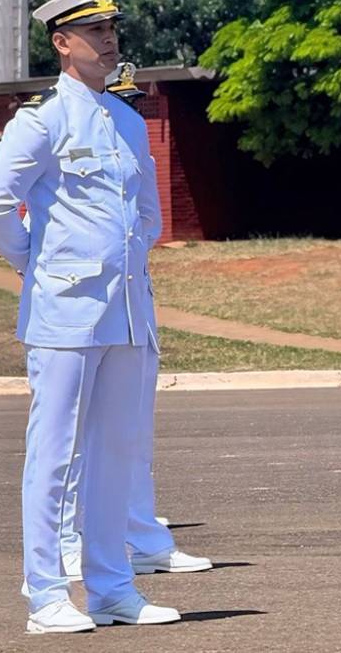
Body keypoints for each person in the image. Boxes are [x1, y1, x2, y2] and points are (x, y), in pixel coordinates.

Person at [0, 0, 180, 633]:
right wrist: (36, 264)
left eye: (112, 29)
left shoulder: (125, 118)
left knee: (118, 449)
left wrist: (126, 263)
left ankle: (114, 587)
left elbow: (145, 213)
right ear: (63, 43)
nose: (109, 40)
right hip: (64, 311)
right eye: (95, 31)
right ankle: (45, 596)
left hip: (125, 309)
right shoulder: (41, 120)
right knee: (55, 453)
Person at [51, 64, 213, 578]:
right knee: (76, 440)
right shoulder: (57, 135)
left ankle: (141, 536)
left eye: (137, 104)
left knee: (130, 436)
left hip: (131, 304)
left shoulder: (130, 147)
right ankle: (69, 542)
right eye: (126, 102)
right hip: (80, 309)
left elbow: (148, 221)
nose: (133, 112)